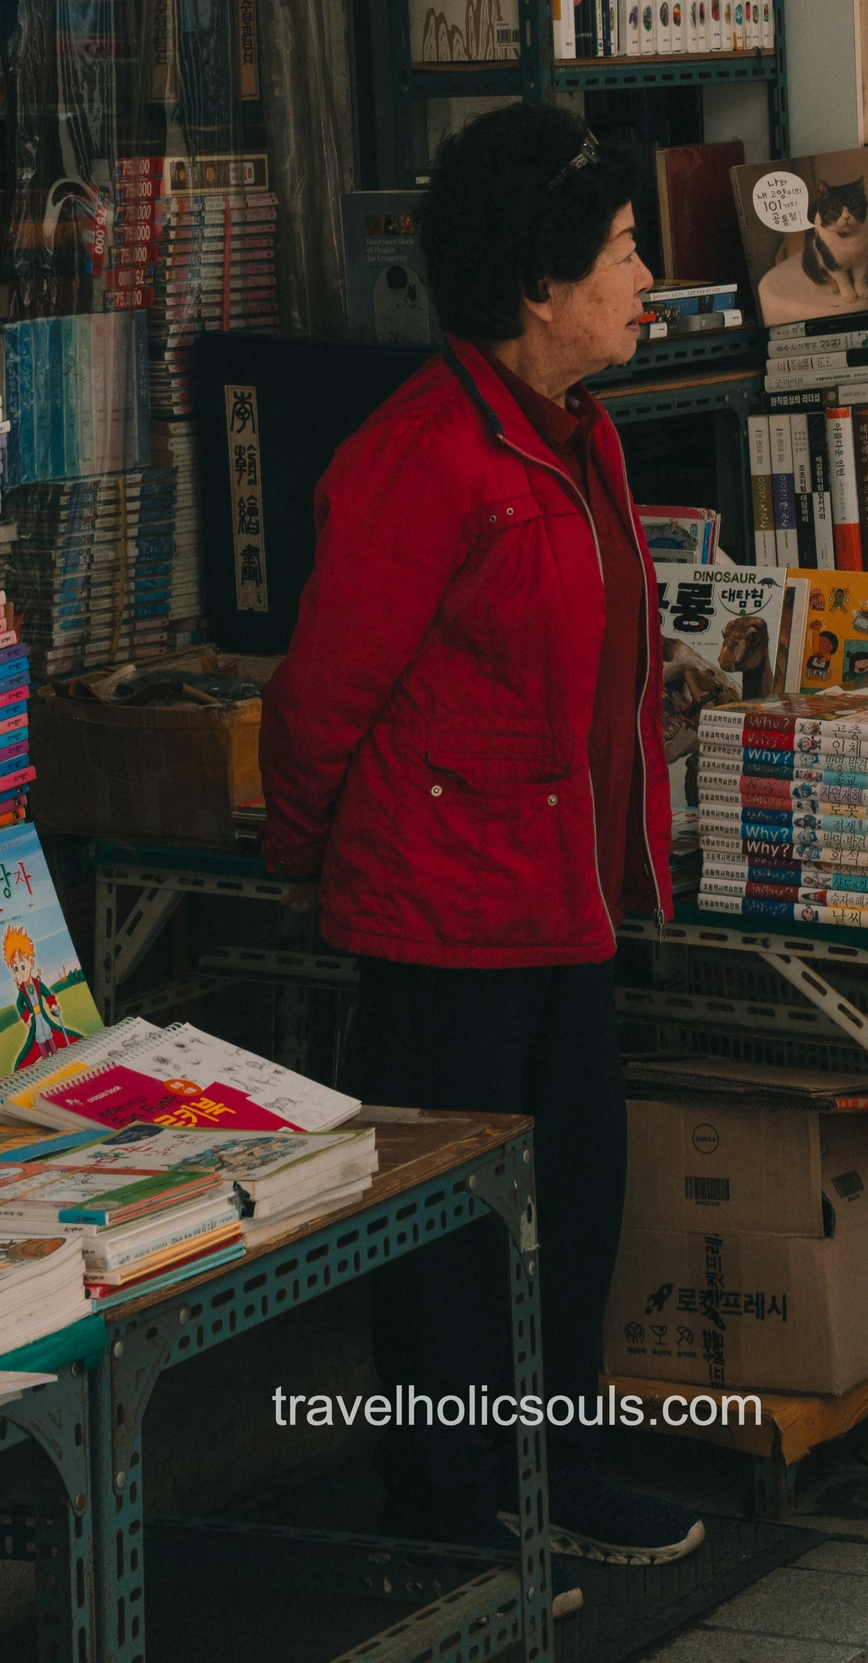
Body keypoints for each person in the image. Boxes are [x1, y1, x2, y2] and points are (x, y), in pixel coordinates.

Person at [261, 103, 704, 1600]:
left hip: (559, 895)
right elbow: (324, 691)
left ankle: (556, 1472)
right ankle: (445, 1506)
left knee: (574, 1209)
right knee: (450, 1237)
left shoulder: (576, 439)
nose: (648, 279)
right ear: (538, 285)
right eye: (626, 253)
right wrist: (311, 865)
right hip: (437, 910)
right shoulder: (426, 456)